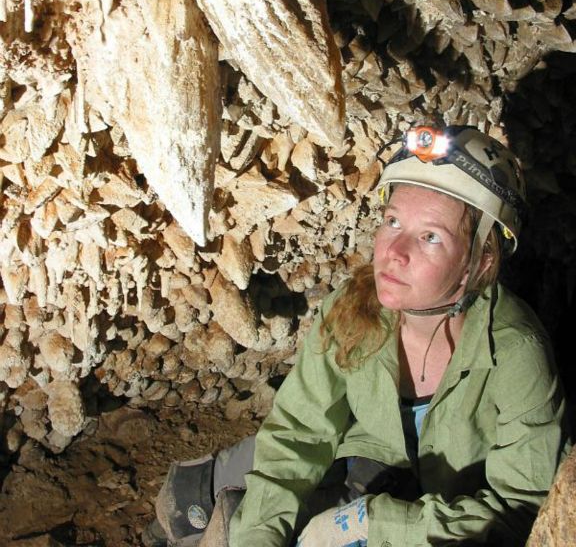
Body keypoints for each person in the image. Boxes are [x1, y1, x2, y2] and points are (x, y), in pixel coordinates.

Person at [145, 124, 570, 547]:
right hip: (365, 452)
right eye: (393, 221)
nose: (394, 252)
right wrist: (259, 535)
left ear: (480, 261)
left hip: (446, 505)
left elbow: (521, 510)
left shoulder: (516, 353)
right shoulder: (353, 307)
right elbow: (299, 432)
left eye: (430, 237)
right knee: (199, 498)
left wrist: (371, 522)